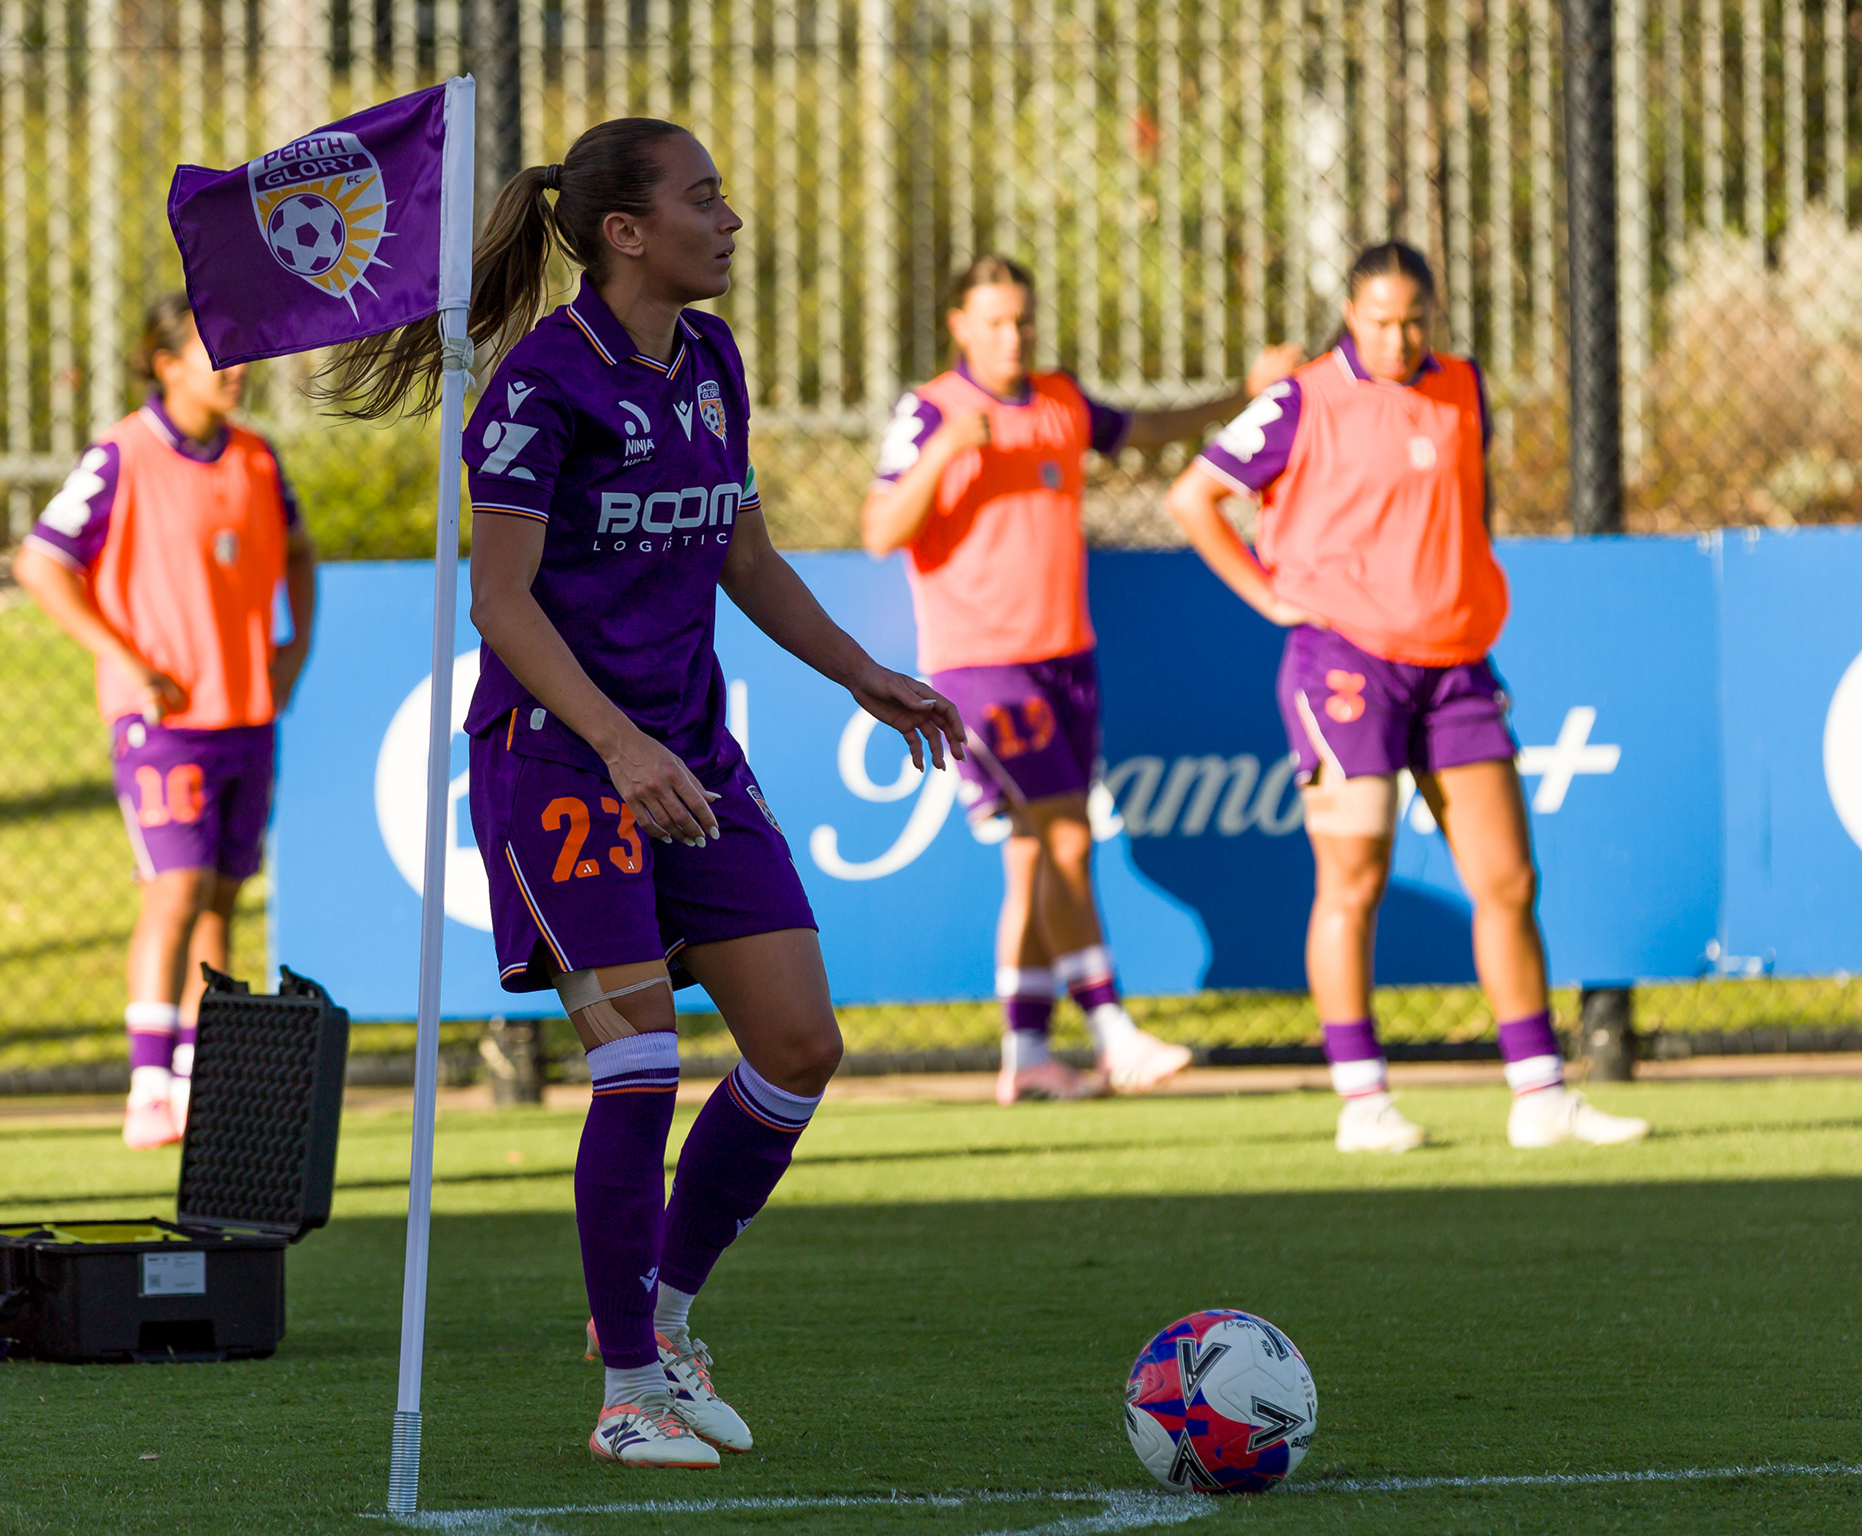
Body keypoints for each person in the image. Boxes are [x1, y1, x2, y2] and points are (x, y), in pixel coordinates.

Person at [320, 119, 965, 1469]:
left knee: (800, 1044)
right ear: (625, 232)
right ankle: (624, 1396)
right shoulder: (538, 388)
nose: (728, 220)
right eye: (703, 198)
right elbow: (500, 601)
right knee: (638, 1065)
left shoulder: (712, 359)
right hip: (562, 763)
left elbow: (747, 556)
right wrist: (618, 747)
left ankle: (665, 1325)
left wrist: (865, 675)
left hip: (690, 753)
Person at [1164, 242, 1649, 1152]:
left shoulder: (1463, 386)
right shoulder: (1303, 399)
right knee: (1354, 880)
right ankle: (1363, 1100)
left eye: (1414, 320)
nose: (1398, 337)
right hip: (1347, 666)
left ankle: (1540, 1093)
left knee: (1508, 880)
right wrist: (1272, 596)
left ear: (1436, 314)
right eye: (1381, 320)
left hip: (1457, 665)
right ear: (1353, 314)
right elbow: (1194, 497)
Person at [861, 255, 1300, 1107]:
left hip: (1068, 658)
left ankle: (1026, 1054)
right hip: (982, 666)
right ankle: (1112, 1034)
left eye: (1022, 319)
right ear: (960, 326)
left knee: (1034, 856)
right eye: (995, 321)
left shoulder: (1060, 399)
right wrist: (946, 451)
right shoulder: (933, 411)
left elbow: (1144, 429)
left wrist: (1240, 397)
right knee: (1065, 838)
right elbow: (881, 529)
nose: (1013, 336)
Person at [13, 294, 316, 1150]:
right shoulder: (121, 454)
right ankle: (148, 1087)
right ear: (166, 362)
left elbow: (299, 554)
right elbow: (40, 562)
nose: (237, 369)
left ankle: (196, 1080)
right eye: (217, 352)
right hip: (164, 719)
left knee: (219, 895)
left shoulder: (257, 457)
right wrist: (123, 656)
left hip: (244, 714)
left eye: (241, 351)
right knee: (175, 888)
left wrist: (292, 650)